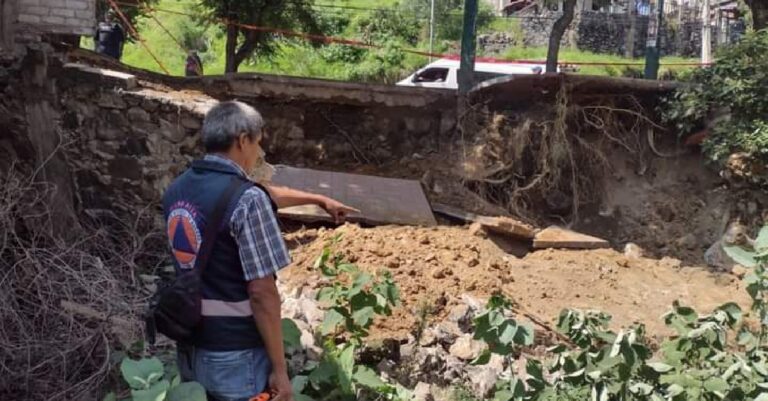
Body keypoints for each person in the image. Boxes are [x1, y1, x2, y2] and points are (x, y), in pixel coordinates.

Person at [163, 101, 357, 401]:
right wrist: (280, 369)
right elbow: (262, 293)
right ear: (243, 140)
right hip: (235, 357)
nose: (258, 154)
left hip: (189, 346)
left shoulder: (178, 189)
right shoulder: (247, 199)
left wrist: (319, 199)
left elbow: (266, 193)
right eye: (257, 144)